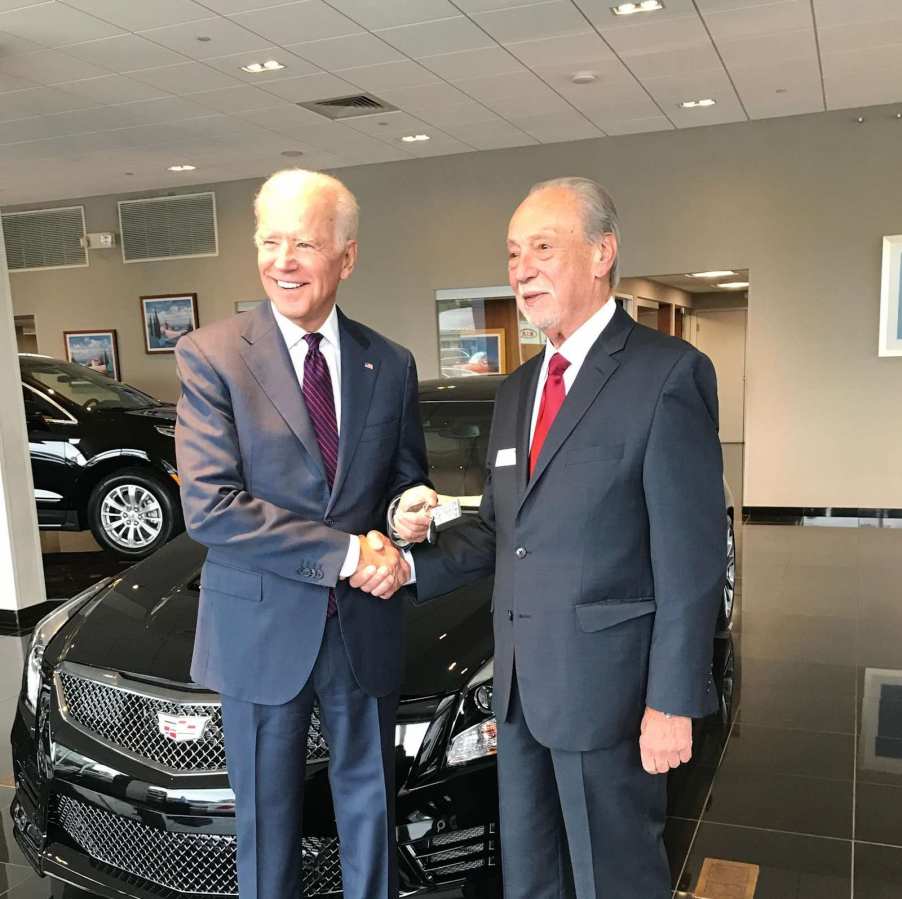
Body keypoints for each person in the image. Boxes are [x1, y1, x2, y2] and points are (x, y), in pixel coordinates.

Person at [395, 176, 725, 898]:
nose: (521, 268)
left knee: (616, 879)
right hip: (519, 694)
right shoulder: (517, 390)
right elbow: (499, 529)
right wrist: (402, 565)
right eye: (514, 253)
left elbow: (692, 561)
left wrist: (671, 701)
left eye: (543, 247)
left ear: (602, 253)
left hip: (610, 693)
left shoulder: (667, 375)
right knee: (532, 876)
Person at [175, 168, 431, 899]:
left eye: (305, 244)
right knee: (266, 825)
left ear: (346, 258)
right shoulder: (211, 356)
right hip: (259, 629)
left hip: (363, 627)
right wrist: (351, 552)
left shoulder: (390, 362)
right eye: (270, 241)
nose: (283, 260)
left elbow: (398, 484)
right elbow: (213, 507)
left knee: (371, 812)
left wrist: (404, 515)